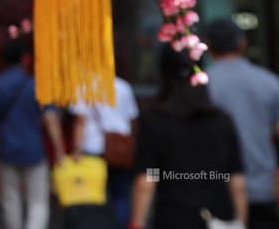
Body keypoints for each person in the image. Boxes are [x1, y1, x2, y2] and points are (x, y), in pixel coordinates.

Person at [130, 45, 247, 229]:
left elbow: (148, 180)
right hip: (220, 218)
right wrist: (240, 221)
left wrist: (137, 223)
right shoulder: (222, 121)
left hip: (173, 217)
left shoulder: (155, 121)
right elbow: (236, 180)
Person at [0, 34, 64, 229]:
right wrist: (59, 151)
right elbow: (50, 120)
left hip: (6, 150)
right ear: (23, 58)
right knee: (38, 202)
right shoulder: (36, 84)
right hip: (34, 151)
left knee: (10, 200)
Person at [205, 18, 279, 229]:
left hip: (217, 189)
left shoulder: (202, 87)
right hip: (264, 187)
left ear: (208, 46)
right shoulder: (269, 83)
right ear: (242, 43)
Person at [70, 75, 139, 228]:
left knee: (92, 198)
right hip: (119, 151)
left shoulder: (84, 86)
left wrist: (76, 150)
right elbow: (133, 119)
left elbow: (80, 122)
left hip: (93, 149)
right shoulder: (123, 86)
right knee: (121, 196)